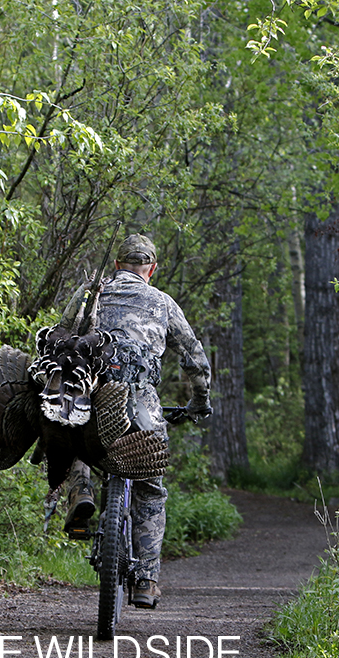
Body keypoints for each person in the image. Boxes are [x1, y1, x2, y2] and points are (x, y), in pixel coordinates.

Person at [62, 233, 212, 609]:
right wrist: (199, 402)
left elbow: (61, 337)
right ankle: (145, 578)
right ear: (152, 269)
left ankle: (81, 492)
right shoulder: (162, 302)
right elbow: (195, 359)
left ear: (117, 265)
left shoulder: (92, 291)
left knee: (74, 433)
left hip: (92, 390)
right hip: (139, 402)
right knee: (150, 487)